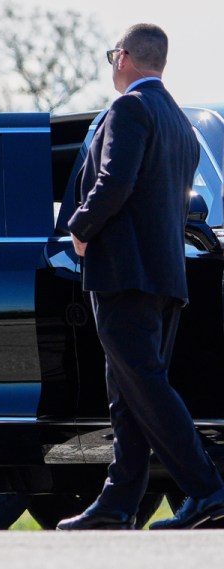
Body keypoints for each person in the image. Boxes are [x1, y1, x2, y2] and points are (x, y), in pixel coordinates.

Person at [57, 23, 224, 530]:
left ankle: (207, 488)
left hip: (124, 273)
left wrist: (80, 227)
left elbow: (114, 179)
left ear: (123, 57)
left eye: (113, 56)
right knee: (128, 390)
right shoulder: (178, 120)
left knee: (143, 385)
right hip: (166, 274)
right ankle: (118, 502)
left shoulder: (129, 108)